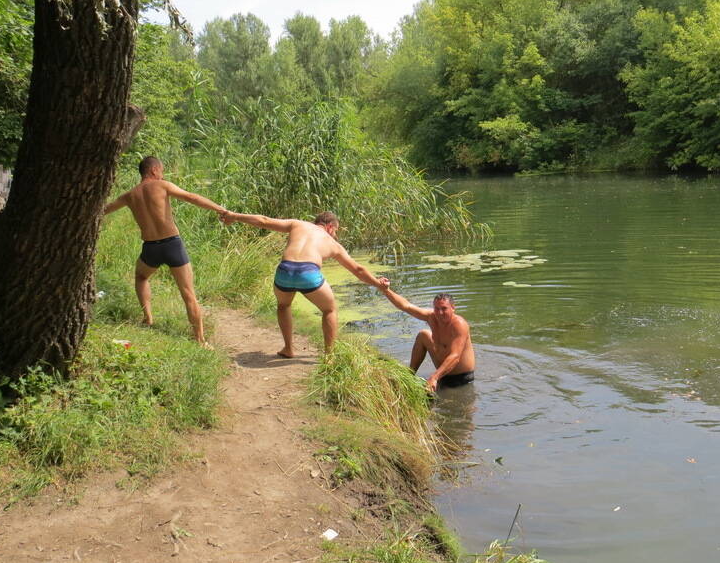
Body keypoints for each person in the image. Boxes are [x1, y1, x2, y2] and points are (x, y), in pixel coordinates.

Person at [219, 210, 387, 356]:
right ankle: (329, 356)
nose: (335, 235)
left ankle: (288, 348)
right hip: (308, 273)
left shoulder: (297, 224)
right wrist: (377, 283)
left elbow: (264, 221)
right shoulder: (332, 243)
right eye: (335, 231)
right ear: (330, 227)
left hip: (284, 271)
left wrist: (234, 216)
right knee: (329, 310)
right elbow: (358, 269)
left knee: (283, 305)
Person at [103, 156, 226, 346]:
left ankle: (148, 318)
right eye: (161, 170)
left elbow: (104, 210)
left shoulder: (129, 195)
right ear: (154, 170)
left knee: (141, 277)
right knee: (188, 293)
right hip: (172, 245)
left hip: (150, 247)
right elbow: (192, 197)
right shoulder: (162, 185)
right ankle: (200, 341)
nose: (163, 174)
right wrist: (221, 210)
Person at [380, 285, 475, 392]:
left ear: (453, 308)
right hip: (441, 374)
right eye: (436, 309)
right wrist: (386, 290)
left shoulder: (459, 325)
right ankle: (409, 374)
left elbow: (455, 356)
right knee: (423, 335)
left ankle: (435, 379)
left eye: (444, 308)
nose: (440, 313)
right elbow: (406, 306)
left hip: (461, 379)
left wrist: (434, 378)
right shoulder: (431, 317)